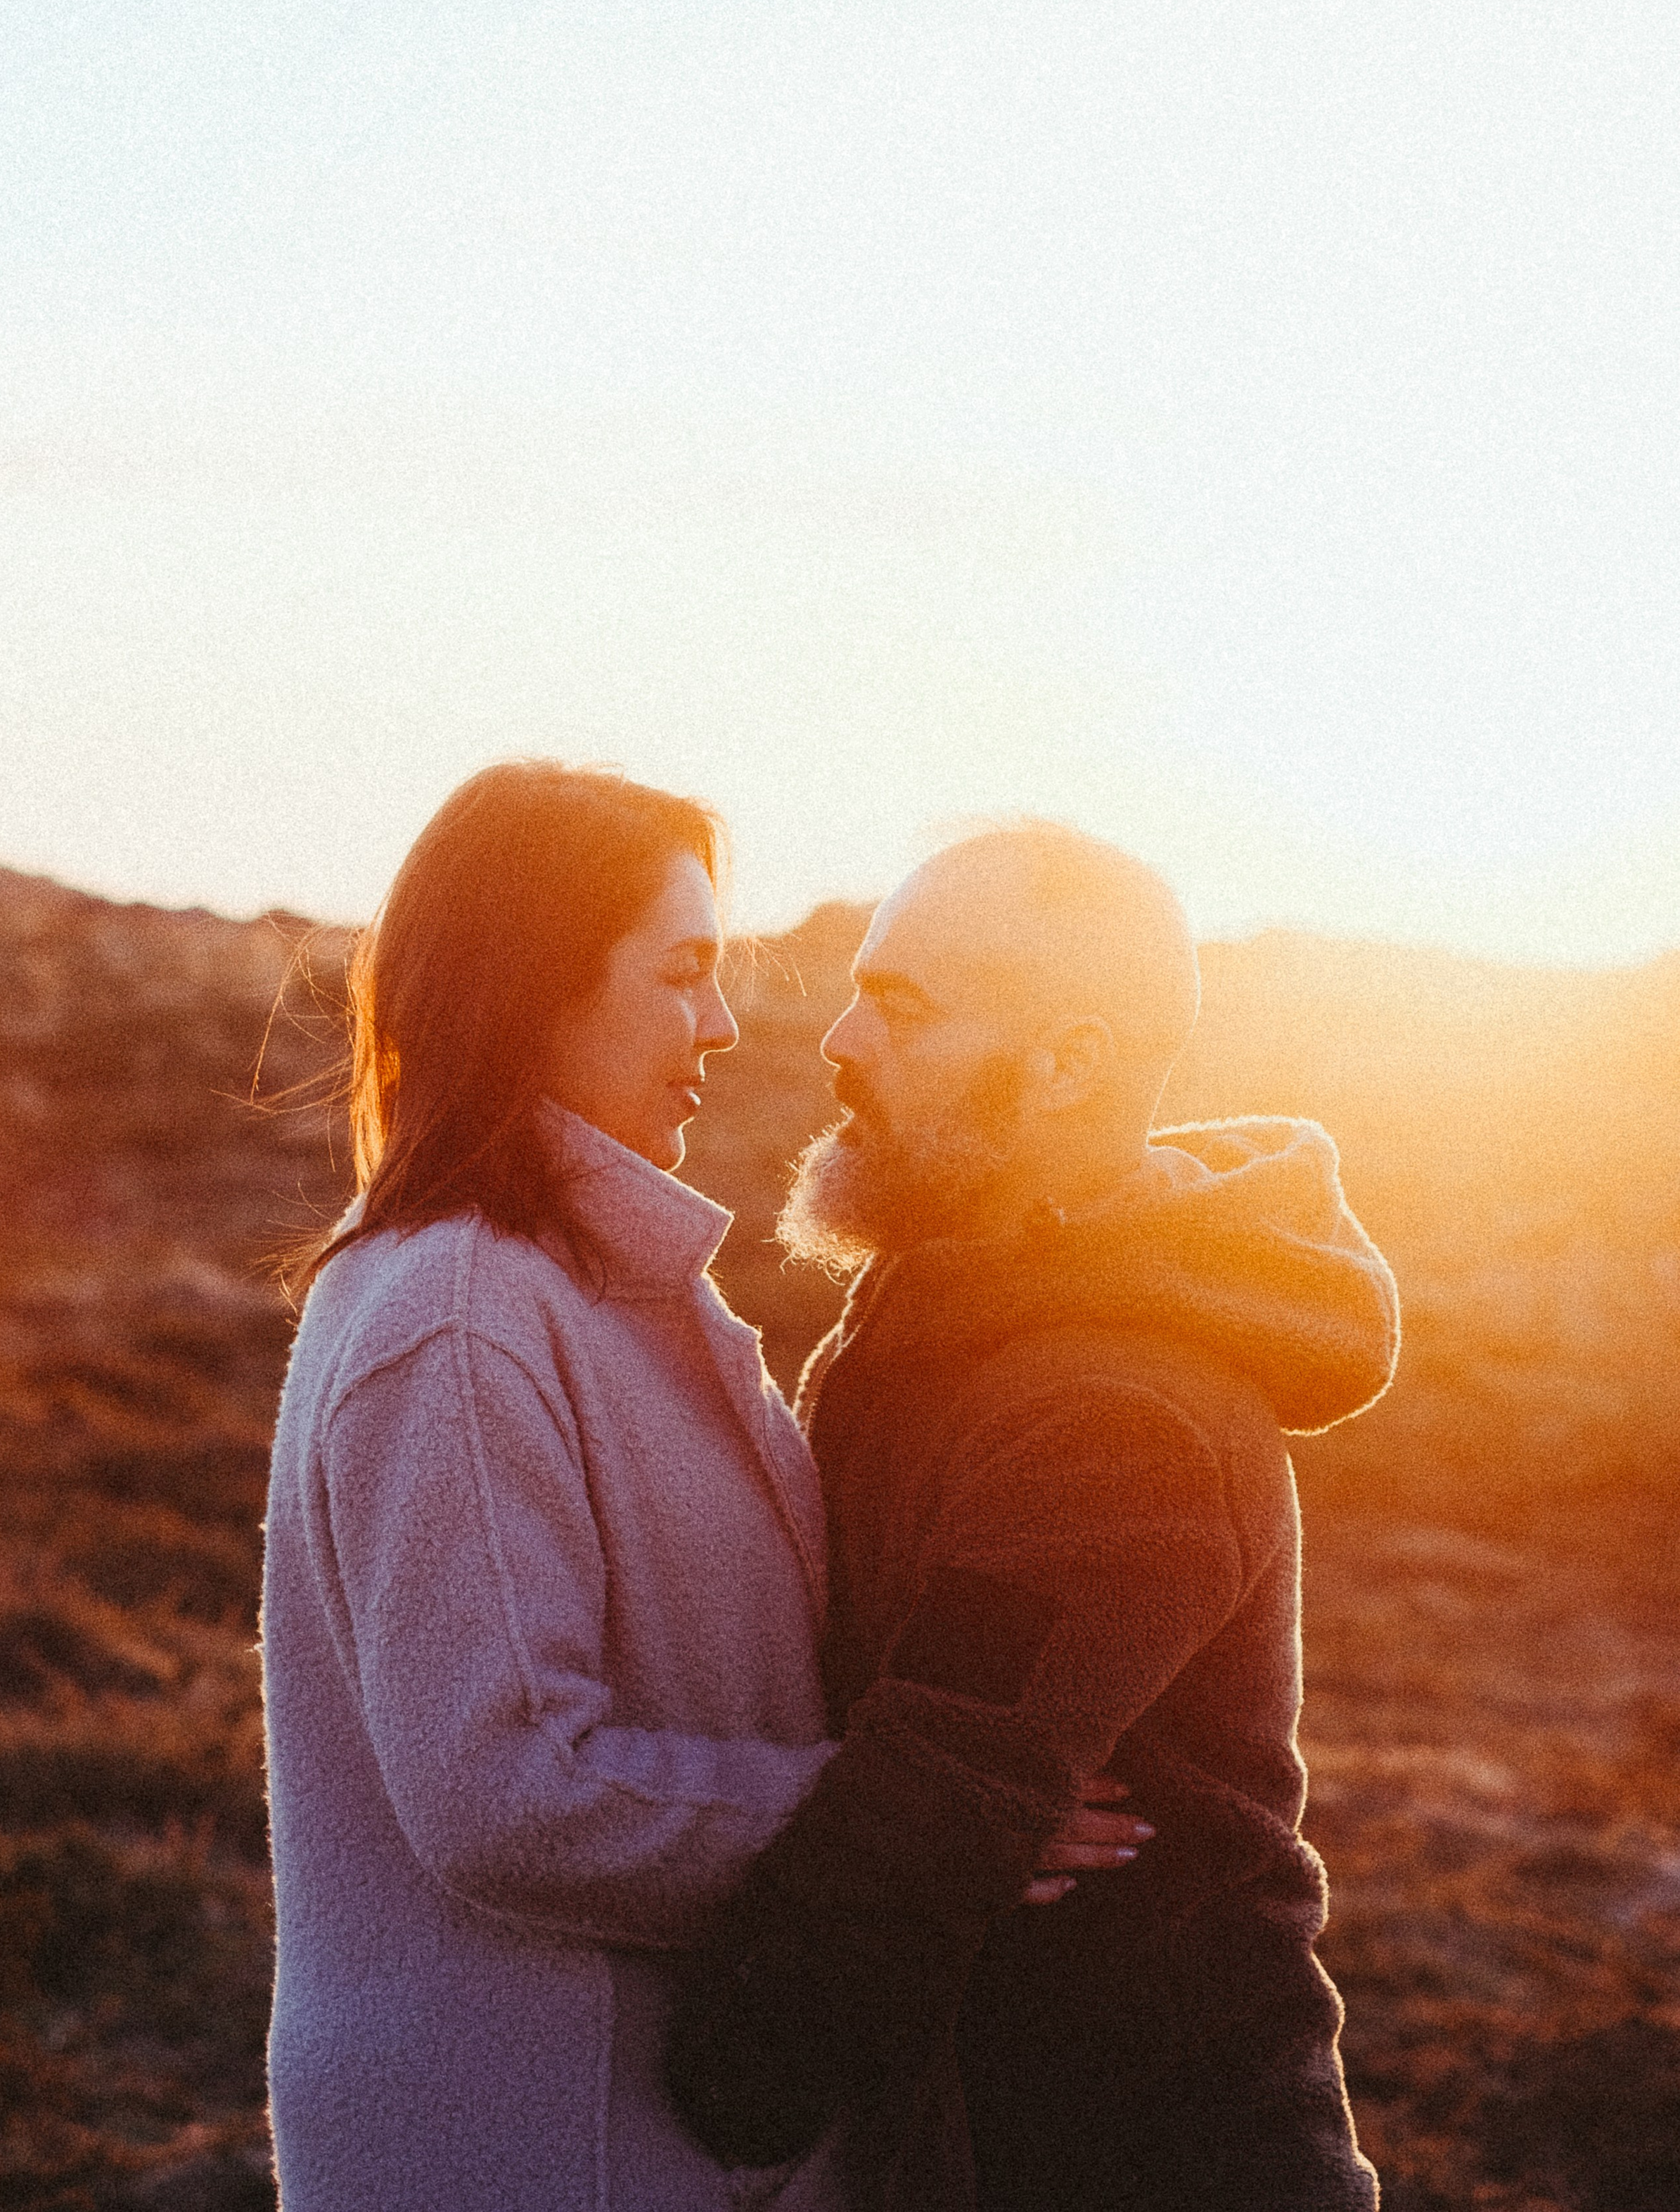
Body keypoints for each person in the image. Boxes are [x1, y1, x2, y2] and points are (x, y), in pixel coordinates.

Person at [260, 765, 1139, 2212]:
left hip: (628, 2120)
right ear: (529, 988)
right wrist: (919, 1830)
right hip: (535, 2140)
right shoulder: (462, 1316)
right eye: (679, 976)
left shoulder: (579, 1289)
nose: (722, 1026)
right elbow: (509, 1795)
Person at [666, 823, 1399, 2211]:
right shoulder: (953, 1310)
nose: (836, 1042)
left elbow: (940, 1782)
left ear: (1064, 1062)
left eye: (898, 1007)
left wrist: (722, 2080)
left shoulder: (1116, 1415)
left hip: (1149, 2158)